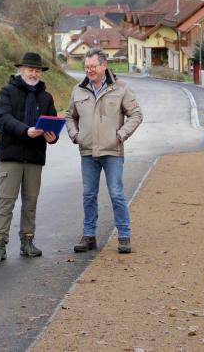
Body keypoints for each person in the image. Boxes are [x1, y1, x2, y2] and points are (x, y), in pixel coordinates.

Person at [65, 48, 143, 254]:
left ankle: (124, 236)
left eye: (93, 66)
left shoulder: (121, 88)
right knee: (88, 195)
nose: (89, 70)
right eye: (87, 67)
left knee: (116, 193)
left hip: (112, 152)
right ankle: (88, 235)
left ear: (104, 65)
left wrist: (121, 134)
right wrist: (75, 135)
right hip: (87, 152)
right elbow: (69, 115)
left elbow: (136, 115)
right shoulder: (78, 90)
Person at [0, 52, 59, 263]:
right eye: (30, 69)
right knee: (6, 202)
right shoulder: (7, 91)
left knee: (30, 202)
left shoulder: (46, 97)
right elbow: (2, 117)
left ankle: (27, 241)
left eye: (37, 70)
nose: (34, 73)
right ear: (21, 70)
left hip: (35, 156)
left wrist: (52, 136)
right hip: (11, 155)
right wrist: (25, 130)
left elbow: (52, 121)